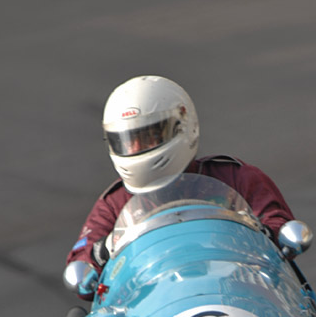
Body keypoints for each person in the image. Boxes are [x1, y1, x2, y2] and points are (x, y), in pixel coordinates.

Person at [65, 75, 295, 287]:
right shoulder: (114, 203)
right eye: (127, 141)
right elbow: (81, 272)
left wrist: (258, 233)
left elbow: (280, 228)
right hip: (151, 303)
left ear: (185, 126)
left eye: (147, 138)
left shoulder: (236, 178)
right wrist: (102, 251)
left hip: (240, 286)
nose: (135, 149)